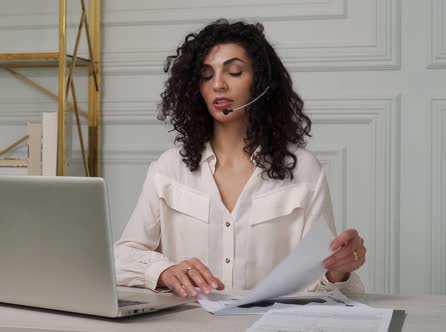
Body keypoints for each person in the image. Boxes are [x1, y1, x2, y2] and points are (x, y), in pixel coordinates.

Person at [113, 19, 365, 298]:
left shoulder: (304, 171)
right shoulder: (168, 169)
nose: (218, 85)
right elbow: (122, 256)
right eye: (207, 76)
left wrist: (339, 269)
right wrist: (161, 271)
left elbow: (321, 282)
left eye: (234, 72)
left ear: (260, 82)